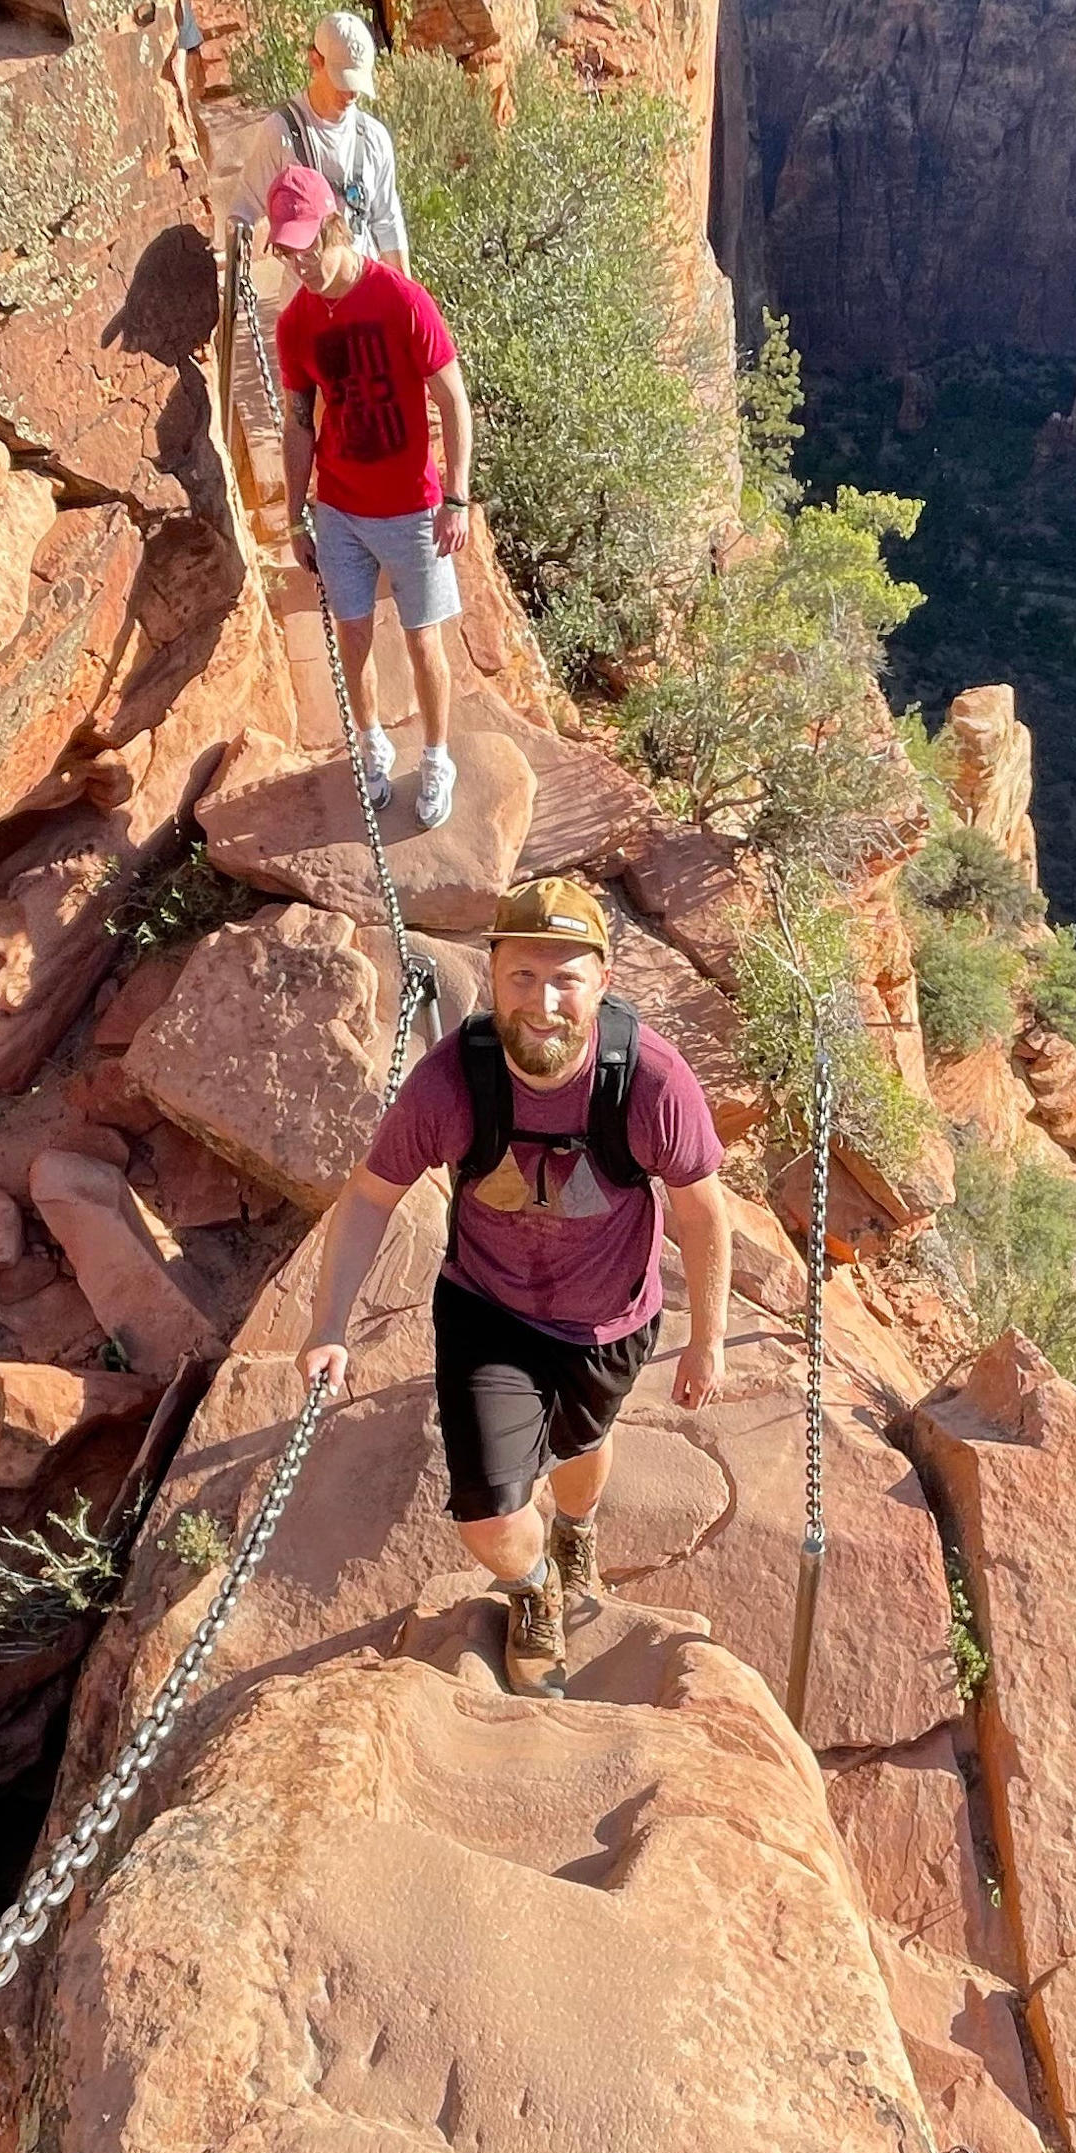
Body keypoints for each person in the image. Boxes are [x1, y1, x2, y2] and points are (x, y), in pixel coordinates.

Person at [302, 877, 732, 1696]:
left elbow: (702, 1212)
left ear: (601, 982)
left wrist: (705, 1340)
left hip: (609, 1318)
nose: (542, 1002)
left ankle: (575, 1531)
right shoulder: (449, 1085)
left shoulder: (649, 1080)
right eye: (522, 977)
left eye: (565, 978)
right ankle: (534, 1591)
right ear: (491, 975)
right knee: (491, 1513)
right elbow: (369, 1196)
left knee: (580, 1447)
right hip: (487, 1306)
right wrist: (329, 1325)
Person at [270, 161, 476, 829]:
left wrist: (456, 497)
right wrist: (294, 516)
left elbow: (453, 399)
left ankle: (437, 757)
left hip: (413, 508)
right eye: (287, 252)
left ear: (334, 227)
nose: (299, 264)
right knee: (352, 633)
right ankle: (371, 745)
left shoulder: (401, 300)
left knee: (422, 640)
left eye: (307, 247)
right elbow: (298, 423)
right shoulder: (296, 324)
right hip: (339, 508)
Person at [234, 10, 410, 275]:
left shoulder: (374, 137)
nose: (351, 93)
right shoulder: (280, 132)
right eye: (343, 81)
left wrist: (405, 292)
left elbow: (387, 221)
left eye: (357, 83)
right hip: (304, 290)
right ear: (315, 61)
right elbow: (244, 210)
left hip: (363, 286)